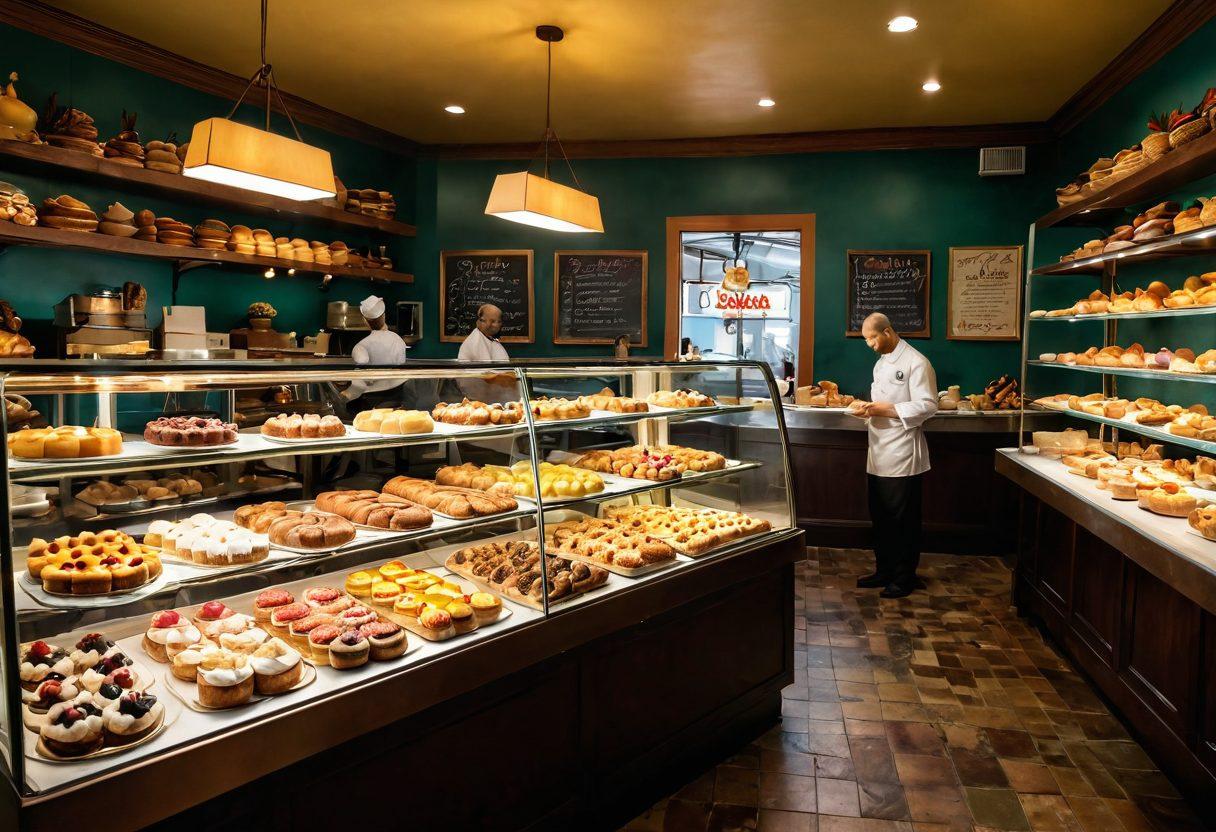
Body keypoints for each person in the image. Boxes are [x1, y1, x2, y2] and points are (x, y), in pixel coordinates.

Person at [849, 312, 938, 598]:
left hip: (902, 453)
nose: (869, 345)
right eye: (866, 340)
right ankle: (884, 570)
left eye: (872, 338)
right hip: (878, 449)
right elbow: (880, 402)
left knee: (903, 520)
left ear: (887, 332)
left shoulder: (917, 363)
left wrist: (881, 410)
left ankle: (904, 577)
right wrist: (867, 409)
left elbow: (927, 406)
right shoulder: (880, 365)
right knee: (881, 516)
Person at [341, 295, 407, 404]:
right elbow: (401, 367)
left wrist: (346, 395)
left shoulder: (361, 346)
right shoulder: (398, 340)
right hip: (397, 397)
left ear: (365, 320)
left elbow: (360, 378)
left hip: (372, 400)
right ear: (384, 316)